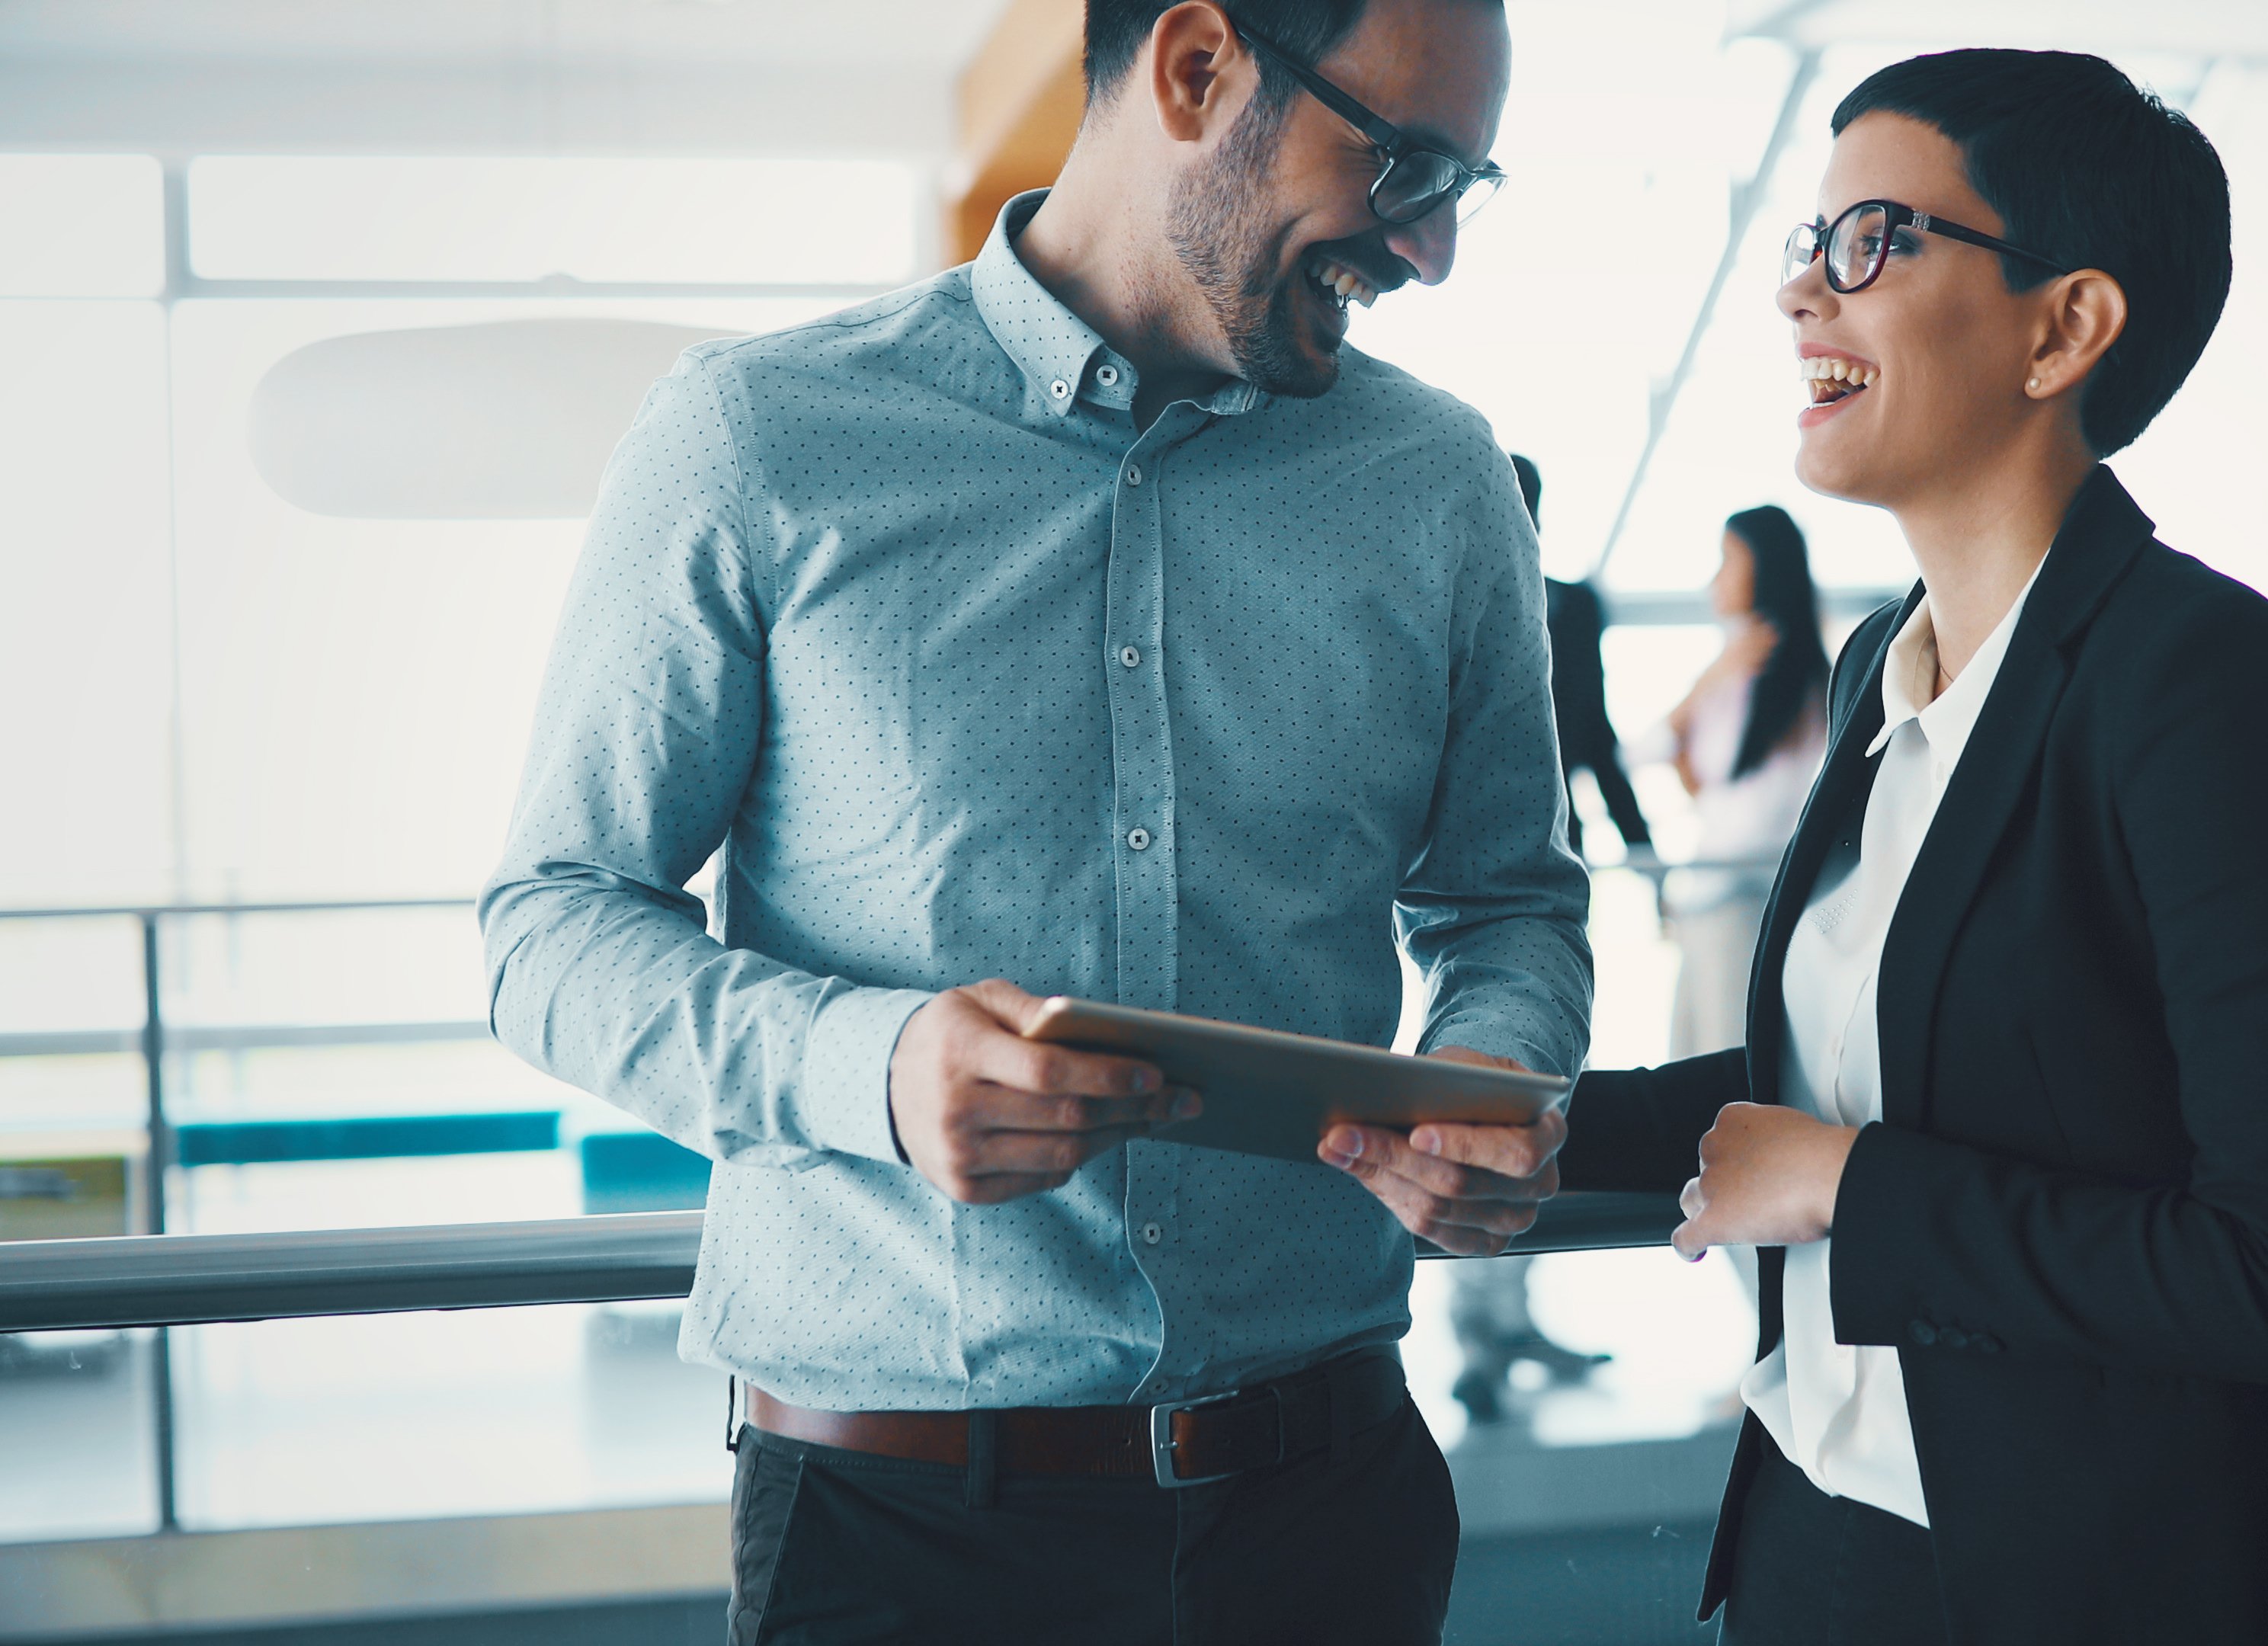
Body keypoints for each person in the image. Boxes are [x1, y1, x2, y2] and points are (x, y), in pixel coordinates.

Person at [479, 5, 1590, 1641]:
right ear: (1197, 68)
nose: (1428, 251)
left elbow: (1507, 907)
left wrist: (1496, 1064)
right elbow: (550, 925)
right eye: (1403, 164)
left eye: (1463, 184)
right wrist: (872, 1068)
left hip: (1325, 1513)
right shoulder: (755, 441)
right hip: (895, 1537)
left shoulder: (1439, 483)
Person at [1560, 50, 2268, 1643]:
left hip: (2094, 1583)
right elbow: (1839, 1086)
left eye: (1867, 239)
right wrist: (1523, 1136)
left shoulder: (2206, 682)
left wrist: (1852, 1193)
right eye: (1807, 245)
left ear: (2063, 325)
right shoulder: (1882, 663)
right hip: (1821, 1544)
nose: (1804, 293)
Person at [1447, 452, 1618, 1427]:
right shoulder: (1437, 593)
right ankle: (1482, 1329)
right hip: (1435, 895)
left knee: (1526, 1093)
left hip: (1551, 889)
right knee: (1458, 1110)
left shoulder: (1568, 606)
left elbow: (1585, 731)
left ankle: (1507, 1321)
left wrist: (1629, 847)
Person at [1660, 504, 1828, 1057]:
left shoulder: (1799, 686)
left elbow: (1761, 810)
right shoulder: (1729, 677)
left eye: (1728, 560)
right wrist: (1712, 677)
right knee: (1689, 1064)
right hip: (1707, 900)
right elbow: (1655, 752)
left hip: (1745, 898)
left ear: (1765, 567)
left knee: (1723, 1073)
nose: (1715, 579)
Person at [1520, 454, 1658, 858]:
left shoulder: (1576, 607)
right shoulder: (1454, 614)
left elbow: (1594, 726)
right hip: (1507, 820)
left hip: (1554, 821)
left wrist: (1641, 847)